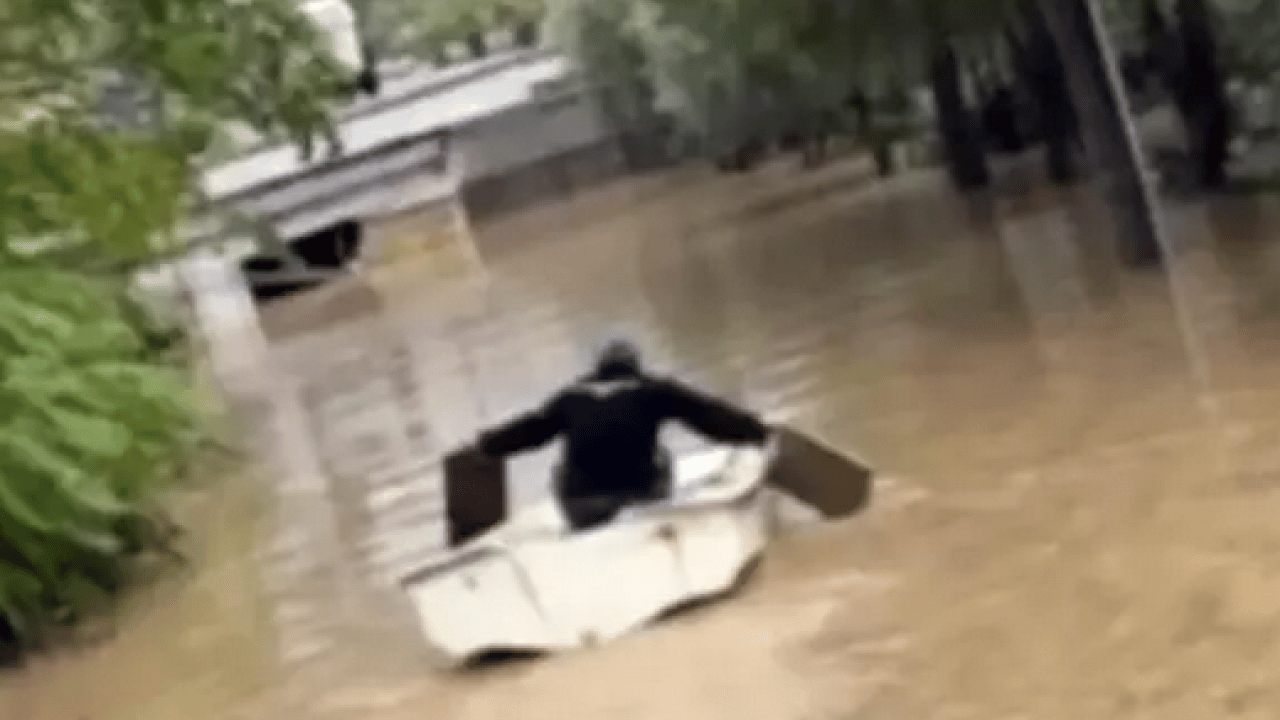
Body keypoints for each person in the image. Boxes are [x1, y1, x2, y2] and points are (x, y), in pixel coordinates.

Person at [475, 340, 771, 531]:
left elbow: (528, 432)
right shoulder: (653, 390)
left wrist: (486, 445)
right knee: (664, 456)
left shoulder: (570, 398)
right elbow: (710, 417)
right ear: (635, 368)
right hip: (641, 497)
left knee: (558, 470)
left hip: (583, 509)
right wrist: (758, 433)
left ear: (598, 371)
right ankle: (651, 518)